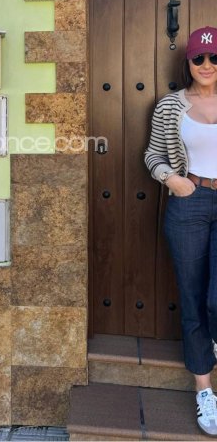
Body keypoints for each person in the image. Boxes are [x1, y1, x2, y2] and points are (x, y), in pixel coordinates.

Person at [145, 25, 217, 436]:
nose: (207, 65)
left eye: (215, 57)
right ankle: (204, 390)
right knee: (192, 297)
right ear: (189, 62)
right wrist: (172, 179)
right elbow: (153, 154)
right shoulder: (170, 106)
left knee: (214, 299)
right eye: (199, 58)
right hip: (189, 203)